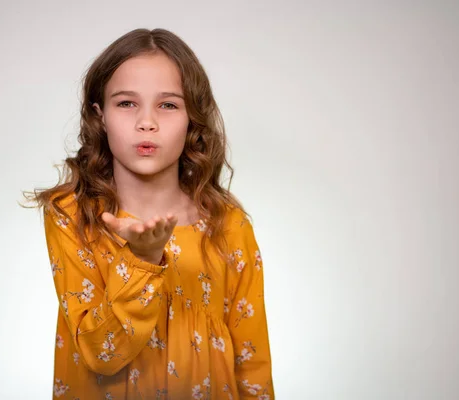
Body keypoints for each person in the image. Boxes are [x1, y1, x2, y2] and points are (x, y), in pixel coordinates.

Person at [24, 28, 274, 399]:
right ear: (100, 115)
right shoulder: (73, 215)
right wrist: (142, 260)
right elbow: (101, 353)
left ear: (192, 118)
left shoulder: (227, 225)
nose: (147, 122)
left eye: (168, 105)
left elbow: (252, 364)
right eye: (126, 103)